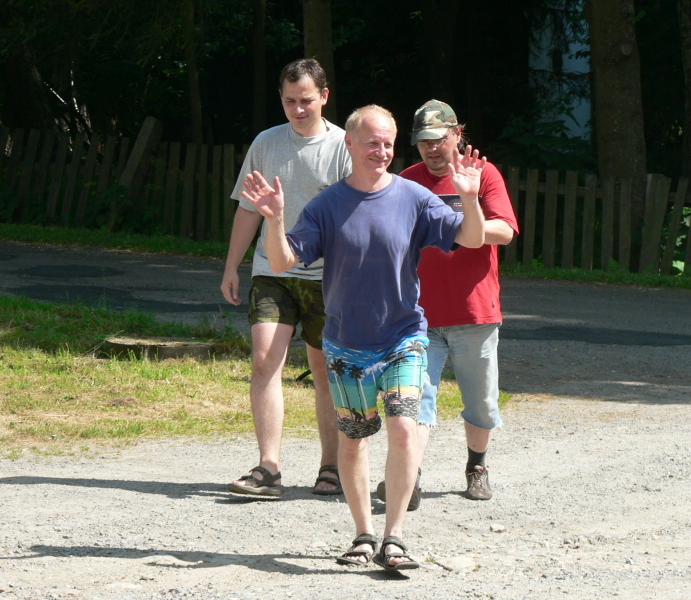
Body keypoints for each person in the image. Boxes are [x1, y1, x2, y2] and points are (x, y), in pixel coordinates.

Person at [240, 105, 486, 571]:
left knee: (404, 427)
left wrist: (469, 199)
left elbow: (471, 240)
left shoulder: (413, 197)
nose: (382, 151)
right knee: (354, 440)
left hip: (403, 336)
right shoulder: (327, 204)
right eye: (373, 142)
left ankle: (395, 537)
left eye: (389, 143)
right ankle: (363, 534)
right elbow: (284, 260)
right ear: (349, 144)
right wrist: (273, 219)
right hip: (347, 344)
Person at [220, 58, 352, 498]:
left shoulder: (343, 146)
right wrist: (232, 266)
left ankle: (331, 466)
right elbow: (248, 209)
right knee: (263, 360)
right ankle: (269, 468)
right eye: (290, 101)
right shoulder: (266, 142)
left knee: (323, 369)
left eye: (306, 101)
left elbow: (356, 216)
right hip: (272, 270)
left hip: (326, 277)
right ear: (280, 98)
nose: (298, 109)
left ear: (324, 97)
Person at [376, 100, 519, 507]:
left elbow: (505, 231)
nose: (432, 149)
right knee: (415, 398)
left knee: (481, 402)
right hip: (418, 315)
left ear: (457, 135)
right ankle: (409, 477)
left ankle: (477, 466)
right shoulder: (406, 180)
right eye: (424, 142)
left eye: (439, 140)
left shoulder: (482, 174)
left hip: (474, 312)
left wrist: (464, 213)